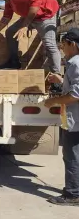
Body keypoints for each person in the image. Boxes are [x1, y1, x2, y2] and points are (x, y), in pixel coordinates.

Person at [0, 0, 61, 93]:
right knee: (10, 32)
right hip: (30, 16)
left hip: (45, 15)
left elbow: (36, 2)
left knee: (49, 45)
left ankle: (57, 79)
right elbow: (6, 17)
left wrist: (25, 25)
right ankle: (14, 62)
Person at [44, 28, 79, 206]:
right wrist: (60, 80)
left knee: (71, 156)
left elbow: (75, 95)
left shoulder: (75, 63)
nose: (62, 50)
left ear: (72, 44)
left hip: (76, 121)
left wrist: (54, 101)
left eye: (63, 46)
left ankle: (73, 194)